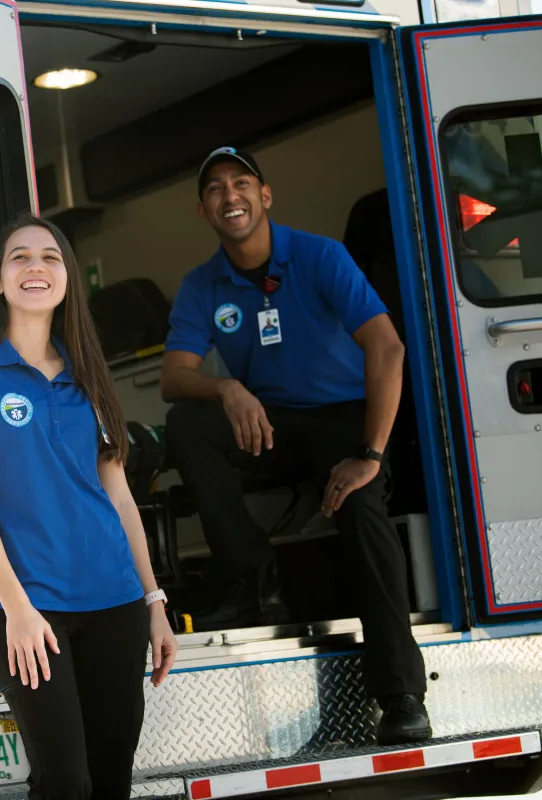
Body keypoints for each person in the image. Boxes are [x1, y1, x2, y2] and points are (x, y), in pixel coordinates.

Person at [159, 147, 431, 746]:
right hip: (272, 421)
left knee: (364, 511)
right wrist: (226, 387)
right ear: (203, 211)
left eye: (241, 183)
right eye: (215, 189)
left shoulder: (319, 255)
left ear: (265, 196)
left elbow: (387, 349)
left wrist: (371, 455)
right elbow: (173, 377)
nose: (229, 196)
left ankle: (401, 694)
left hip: (344, 421)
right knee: (188, 424)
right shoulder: (203, 285)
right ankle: (249, 581)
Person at [0, 213, 178, 798]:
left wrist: (154, 601)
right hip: (30, 612)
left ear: (66, 279)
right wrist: (16, 608)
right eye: (20, 256)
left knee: (112, 780)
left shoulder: (90, 373)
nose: (35, 266)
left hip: (115, 603)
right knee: (65, 781)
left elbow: (118, 496)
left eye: (50, 257)